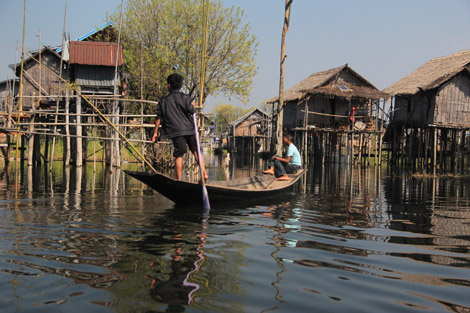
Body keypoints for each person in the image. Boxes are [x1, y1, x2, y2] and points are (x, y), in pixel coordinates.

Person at [152, 73, 208, 181]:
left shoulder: (163, 101)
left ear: (169, 85)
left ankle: (178, 179)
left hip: (176, 132)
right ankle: (204, 173)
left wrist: (155, 133)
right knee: (196, 151)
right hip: (189, 129)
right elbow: (192, 110)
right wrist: (192, 105)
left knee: (179, 154)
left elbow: (158, 117)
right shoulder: (185, 98)